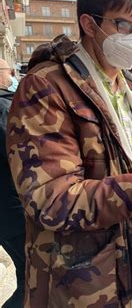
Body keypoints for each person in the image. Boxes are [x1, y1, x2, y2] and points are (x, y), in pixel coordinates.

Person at [6, 0, 132, 307]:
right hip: (82, 283)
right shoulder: (46, 87)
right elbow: (50, 198)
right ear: (89, 24)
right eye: (124, 25)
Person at [0, 60, 25, 308]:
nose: (13, 77)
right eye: (10, 72)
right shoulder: (5, 108)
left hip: (7, 210)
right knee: (32, 279)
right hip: (12, 210)